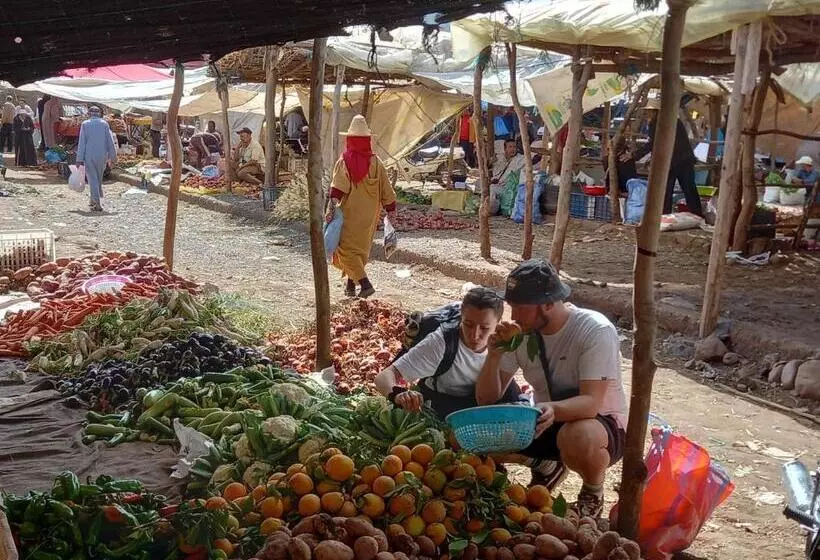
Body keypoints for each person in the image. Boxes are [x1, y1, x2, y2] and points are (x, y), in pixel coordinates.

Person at [476, 260, 627, 517]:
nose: (513, 317)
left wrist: (551, 409)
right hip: (545, 418)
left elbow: (591, 403)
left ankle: (592, 493)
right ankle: (544, 464)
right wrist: (493, 357)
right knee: (478, 439)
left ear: (547, 304)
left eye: (520, 308)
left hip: (598, 425)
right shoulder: (521, 336)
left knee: (576, 436)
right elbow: (486, 399)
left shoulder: (594, 330)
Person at [374, 287, 525, 419]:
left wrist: (494, 355)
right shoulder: (440, 344)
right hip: (445, 408)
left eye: (484, 328)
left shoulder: (505, 342)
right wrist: (397, 395)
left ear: (497, 324)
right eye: (468, 324)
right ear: (461, 319)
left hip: (481, 406)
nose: (474, 335)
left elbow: (487, 399)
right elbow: (384, 376)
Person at [325, 115, 397, 299]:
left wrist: (330, 208)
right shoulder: (377, 162)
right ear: (367, 140)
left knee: (345, 250)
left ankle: (365, 285)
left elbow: (337, 189)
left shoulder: (345, 161)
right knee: (360, 250)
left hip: (351, 214)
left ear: (349, 139)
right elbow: (387, 190)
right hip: (370, 215)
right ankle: (350, 286)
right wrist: (390, 209)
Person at [622, 98, 702, 217]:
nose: (647, 114)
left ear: (655, 112)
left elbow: (653, 144)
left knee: (666, 190)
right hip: (684, 159)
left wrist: (634, 155)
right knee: (689, 189)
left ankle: (664, 216)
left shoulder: (656, 124)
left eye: (650, 111)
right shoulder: (675, 121)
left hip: (670, 161)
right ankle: (698, 214)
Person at [76, 106, 117, 212]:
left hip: (89, 155)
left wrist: (79, 159)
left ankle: (97, 202)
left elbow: (82, 143)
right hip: (102, 155)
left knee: (92, 178)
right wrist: (113, 157)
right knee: (98, 178)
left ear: (89, 114)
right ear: (99, 114)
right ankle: (93, 199)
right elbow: (110, 141)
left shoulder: (85, 124)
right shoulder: (104, 124)